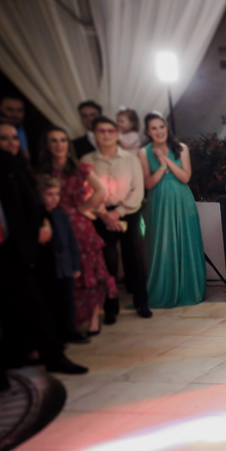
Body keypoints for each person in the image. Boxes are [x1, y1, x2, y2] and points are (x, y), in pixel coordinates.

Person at [0, 107, 87, 392]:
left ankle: (54, 357)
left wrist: (33, 235)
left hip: (6, 246)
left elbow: (28, 199)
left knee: (33, 304)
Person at [39, 127, 117, 336]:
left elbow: (101, 190)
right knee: (67, 274)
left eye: (63, 140)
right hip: (56, 226)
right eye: (54, 140)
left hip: (80, 226)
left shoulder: (79, 167)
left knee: (89, 270)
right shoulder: (43, 171)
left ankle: (93, 319)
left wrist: (83, 208)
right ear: (47, 145)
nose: (59, 144)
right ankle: (69, 319)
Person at [83, 115, 151, 320]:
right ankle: (110, 308)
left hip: (128, 212)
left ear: (117, 134)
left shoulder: (130, 159)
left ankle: (141, 303)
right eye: (101, 131)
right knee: (107, 262)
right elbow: (85, 191)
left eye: (110, 130)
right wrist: (104, 214)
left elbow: (138, 190)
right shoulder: (87, 161)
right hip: (100, 215)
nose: (106, 135)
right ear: (95, 135)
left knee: (134, 260)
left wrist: (118, 212)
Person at [139, 112, 205, 309]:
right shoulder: (143, 152)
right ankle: (164, 289)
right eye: (154, 128)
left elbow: (185, 177)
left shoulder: (181, 148)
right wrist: (161, 165)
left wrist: (167, 160)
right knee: (162, 242)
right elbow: (148, 183)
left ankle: (188, 290)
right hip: (159, 201)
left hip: (182, 199)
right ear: (148, 132)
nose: (159, 131)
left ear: (167, 128)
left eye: (162, 126)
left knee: (185, 241)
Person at [36, 174, 84, 340]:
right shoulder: (37, 217)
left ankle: (70, 329)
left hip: (65, 266)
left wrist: (76, 265)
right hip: (49, 268)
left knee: (68, 300)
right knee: (51, 301)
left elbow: (71, 242)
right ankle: (54, 333)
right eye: (49, 194)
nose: (54, 198)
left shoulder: (61, 216)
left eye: (57, 194)